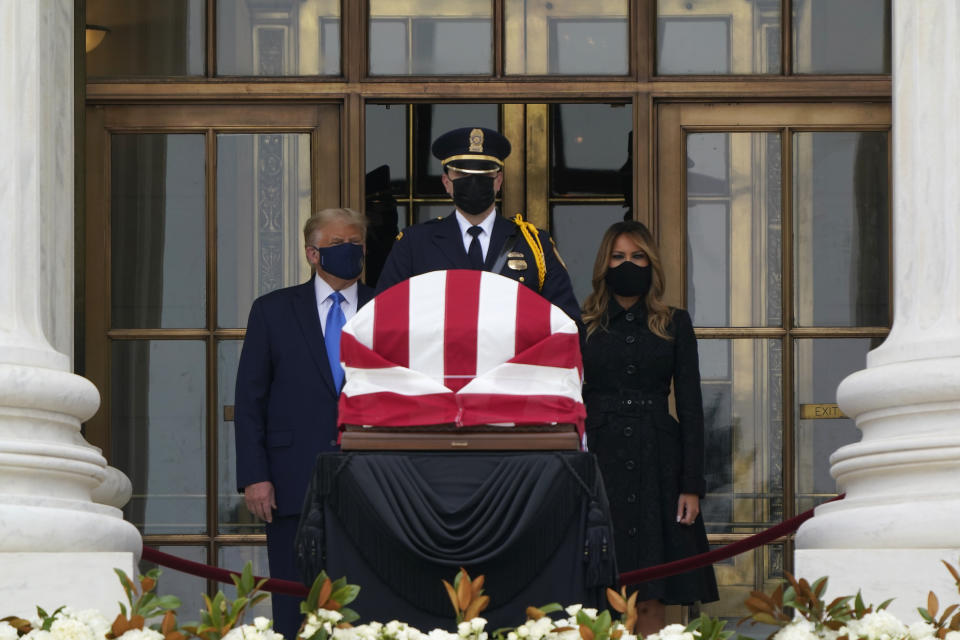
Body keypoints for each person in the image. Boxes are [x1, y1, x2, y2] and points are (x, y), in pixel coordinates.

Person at [234, 208, 375, 639]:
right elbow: (250, 400)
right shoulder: (273, 310)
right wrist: (255, 477)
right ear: (312, 253)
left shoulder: (387, 305)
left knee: (366, 604)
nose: (349, 251)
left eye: (356, 243)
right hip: (292, 479)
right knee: (295, 602)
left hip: (373, 479)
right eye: (337, 245)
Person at [580, 220, 718, 635]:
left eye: (637, 256)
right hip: (598, 459)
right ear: (605, 264)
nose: (628, 264)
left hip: (658, 460)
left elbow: (691, 407)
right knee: (598, 590)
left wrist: (691, 484)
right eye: (619, 257)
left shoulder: (674, 322)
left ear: (651, 264)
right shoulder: (580, 323)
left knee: (653, 591)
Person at [375, 126, 581, 324]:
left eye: (483, 175)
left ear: (498, 181)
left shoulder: (534, 245)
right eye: (463, 175)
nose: (473, 182)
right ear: (447, 182)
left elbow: (566, 323)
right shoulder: (414, 243)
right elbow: (384, 318)